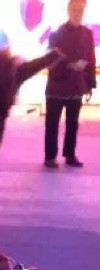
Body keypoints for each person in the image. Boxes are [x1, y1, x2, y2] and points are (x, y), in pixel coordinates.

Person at [44, 0, 97, 168]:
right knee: (52, 123)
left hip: (76, 85)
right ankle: (50, 157)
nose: (77, 13)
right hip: (56, 86)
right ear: (68, 10)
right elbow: (50, 60)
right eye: (74, 9)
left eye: (80, 10)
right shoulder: (56, 33)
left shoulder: (87, 33)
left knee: (73, 124)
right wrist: (69, 65)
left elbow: (91, 59)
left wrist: (90, 84)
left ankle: (70, 155)